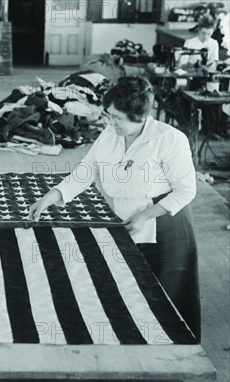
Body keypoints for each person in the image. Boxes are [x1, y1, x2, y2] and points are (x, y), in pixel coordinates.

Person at [28, 77, 200, 341]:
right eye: (109, 116)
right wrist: (50, 197)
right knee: (127, 288)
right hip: (124, 221)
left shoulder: (170, 140)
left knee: (165, 295)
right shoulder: (110, 134)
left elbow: (186, 190)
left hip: (163, 225)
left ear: (140, 115)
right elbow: (85, 172)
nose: (111, 123)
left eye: (118, 118)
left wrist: (146, 214)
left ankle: (169, 351)